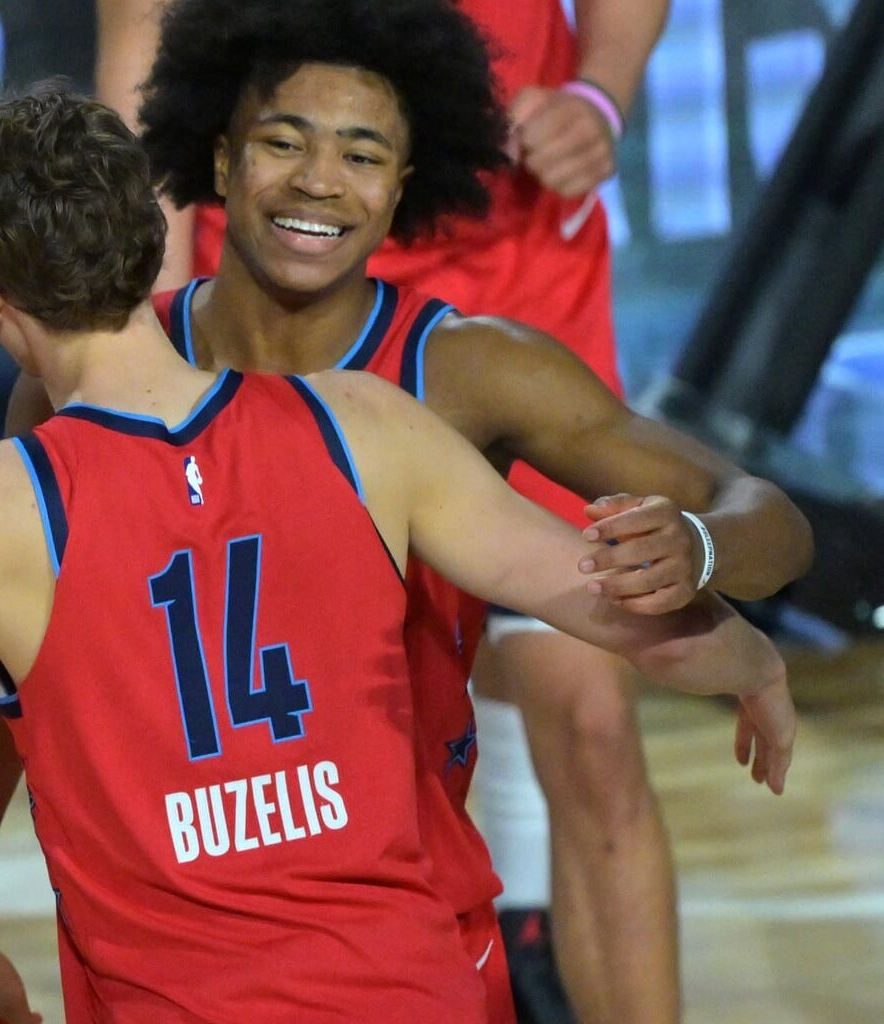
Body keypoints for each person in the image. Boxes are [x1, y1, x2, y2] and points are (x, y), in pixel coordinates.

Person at [0, 85, 796, 1024]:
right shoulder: (368, 425)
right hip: (415, 992)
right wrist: (754, 663)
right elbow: (645, 622)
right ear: (150, 235)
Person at [169, 2, 678, 1015]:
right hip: (276, 301)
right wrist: (147, 369)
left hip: (517, 272)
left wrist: (599, 94)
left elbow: (738, 520)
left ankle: (525, 931)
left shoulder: (500, 351)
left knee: (590, 721)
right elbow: (141, 65)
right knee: (298, 743)